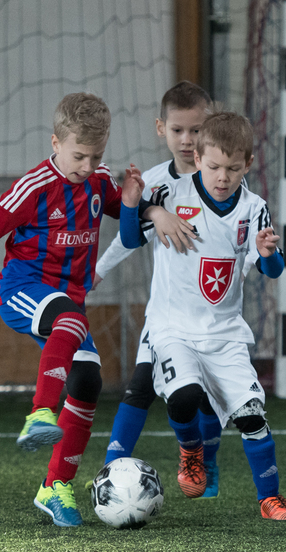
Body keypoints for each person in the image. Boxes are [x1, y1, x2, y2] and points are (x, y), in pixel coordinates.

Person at [0, 92, 196, 527]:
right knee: (70, 320)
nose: (88, 166)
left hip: (67, 304)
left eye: (97, 156)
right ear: (56, 143)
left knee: (88, 381)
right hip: (23, 290)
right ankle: (39, 413)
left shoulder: (98, 179)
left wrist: (149, 208)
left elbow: (119, 207)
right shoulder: (35, 186)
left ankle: (55, 487)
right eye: (79, 156)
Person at [118, 110, 286, 520]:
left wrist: (269, 253)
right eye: (214, 166)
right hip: (172, 329)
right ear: (198, 158)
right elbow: (130, 238)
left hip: (226, 333)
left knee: (251, 416)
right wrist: (134, 205)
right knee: (184, 397)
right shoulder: (170, 193)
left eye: (233, 169)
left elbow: (272, 270)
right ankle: (191, 451)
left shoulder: (254, 208)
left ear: (247, 164)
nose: (223, 177)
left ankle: (269, 499)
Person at [93, 81, 228, 499]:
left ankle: (207, 463)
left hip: (213, 315)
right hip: (166, 313)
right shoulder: (153, 183)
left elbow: (242, 234)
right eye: (177, 130)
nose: (187, 140)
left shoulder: (223, 179)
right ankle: (110, 471)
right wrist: (97, 270)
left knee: (205, 397)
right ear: (160, 129)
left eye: (196, 130)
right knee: (140, 386)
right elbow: (129, 238)